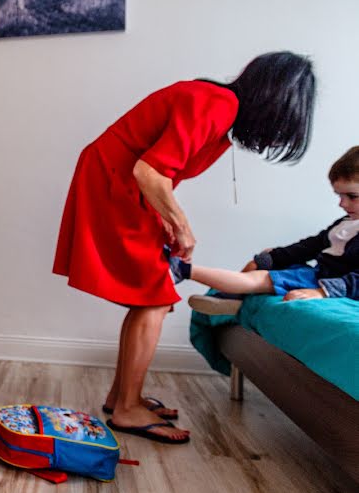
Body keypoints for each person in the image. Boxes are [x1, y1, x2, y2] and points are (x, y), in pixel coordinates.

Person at [53, 51, 316, 444]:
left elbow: (157, 173)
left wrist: (167, 221)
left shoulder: (219, 113)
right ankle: (127, 408)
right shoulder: (217, 104)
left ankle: (122, 397)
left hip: (121, 182)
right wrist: (182, 227)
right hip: (114, 183)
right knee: (153, 297)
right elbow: (149, 171)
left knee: (149, 296)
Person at [182, 145, 359, 314]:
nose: (342, 203)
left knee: (260, 279)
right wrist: (276, 256)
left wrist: (322, 292)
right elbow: (310, 246)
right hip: (319, 273)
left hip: (334, 283)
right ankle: (234, 298)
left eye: (352, 196)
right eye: (339, 196)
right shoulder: (346, 222)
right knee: (260, 262)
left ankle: (184, 270)